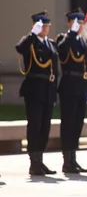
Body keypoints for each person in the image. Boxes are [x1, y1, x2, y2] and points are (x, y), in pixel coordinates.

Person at [16, 11, 59, 176]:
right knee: (35, 126)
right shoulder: (30, 43)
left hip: (48, 90)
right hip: (34, 90)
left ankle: (40, 160)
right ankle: (34, 162)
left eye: (47, 26)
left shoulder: (51, 44)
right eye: (42, 26)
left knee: (45, 127)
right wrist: (32, 34)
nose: (46, 29)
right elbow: (20, 49)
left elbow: (54, 69)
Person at [56, 8, 87, 173]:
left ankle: (73, 158)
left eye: (81, 23)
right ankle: (66, 160)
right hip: (69, 86)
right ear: (70, 23)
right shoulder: (64, 39)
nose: (80, 26)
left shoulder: (84, 42)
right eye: (77, 23)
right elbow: (61, 51)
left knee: (78, 124)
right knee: (68, 123)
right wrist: (71, 33)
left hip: (82, 87)